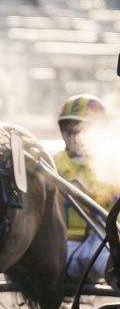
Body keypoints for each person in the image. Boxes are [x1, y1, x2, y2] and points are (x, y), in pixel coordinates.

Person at [55, 93, 113, 282]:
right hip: (61, 247)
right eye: (69, 131)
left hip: (102, 246)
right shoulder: (52, 164)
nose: (74, 138)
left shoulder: (112, 165)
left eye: (80, 131)